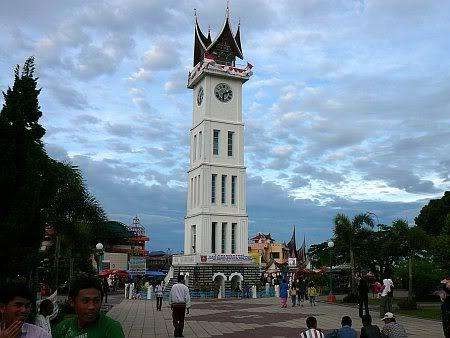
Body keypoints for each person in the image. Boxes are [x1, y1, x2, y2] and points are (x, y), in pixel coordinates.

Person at [53, 274, 125, 337]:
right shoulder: (63, 328)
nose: (92, 307)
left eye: (96, 301)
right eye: (85, 301)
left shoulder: (111, 329)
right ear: (72, 302)